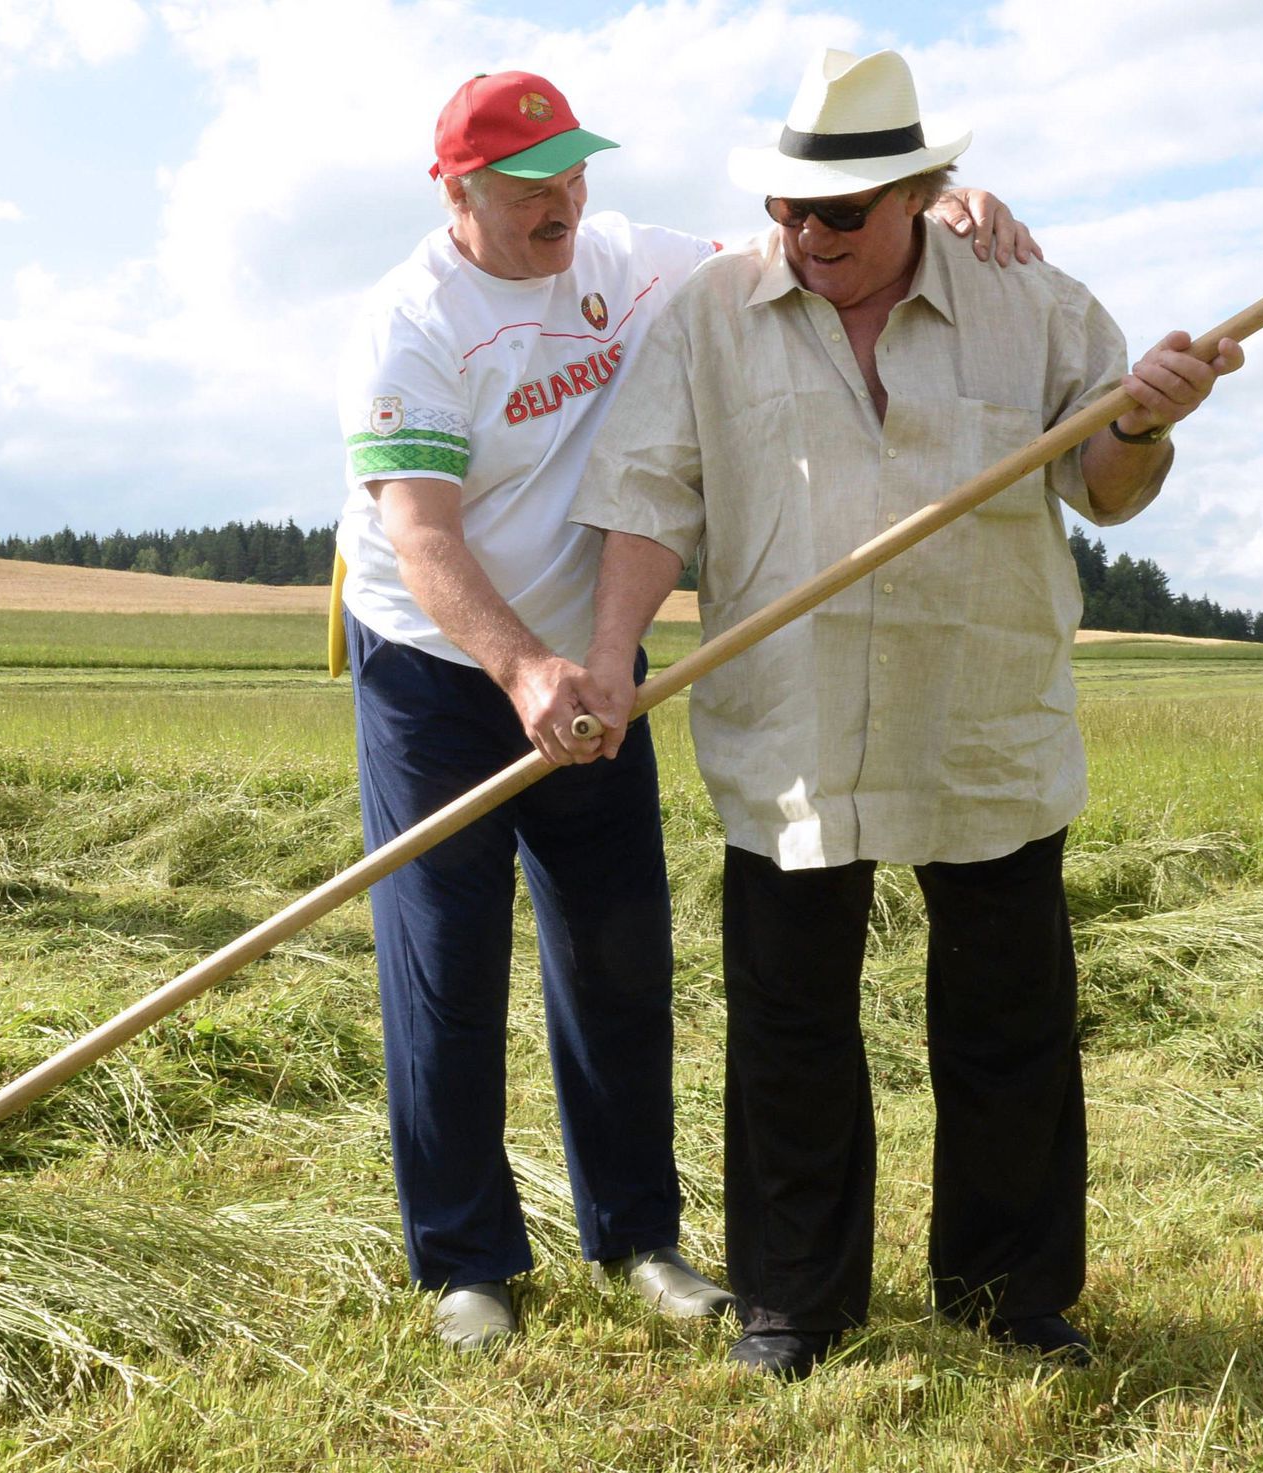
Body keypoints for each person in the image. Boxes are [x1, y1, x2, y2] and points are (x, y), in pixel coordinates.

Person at [335, 68, 1038, 1351]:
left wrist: (942, 210)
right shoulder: (409, 323)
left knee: (615, 956)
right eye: (528, 184)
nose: (563, 201)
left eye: (573, 171)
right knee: (444, 965)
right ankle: (467, 1262)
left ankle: (636, 1237)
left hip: (598, 667)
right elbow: (419, 534)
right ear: (456, 188)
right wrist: (515, 669)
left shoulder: (629, 260)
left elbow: (813, 244)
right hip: (442, 666)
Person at [572, 48, 1247, 1378]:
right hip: (791, 720)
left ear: (920, 193)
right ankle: (793, 1304)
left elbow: (1106, 491)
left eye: (840, 215)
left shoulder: (1034, 304)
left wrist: (1155, 421)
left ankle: (1010, 1297)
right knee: (789, 1027)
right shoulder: (710, 314)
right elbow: (649, 496)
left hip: (981, 710)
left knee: (1008, 1023)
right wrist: (608, 660)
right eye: (787, 211)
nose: (807, 238)